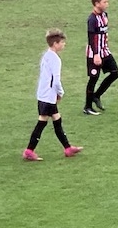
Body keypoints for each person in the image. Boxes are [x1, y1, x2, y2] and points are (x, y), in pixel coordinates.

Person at [23, 29, 82, 161]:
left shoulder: (45, 55)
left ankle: (67, 148)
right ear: (55, 43)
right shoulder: (55, 59)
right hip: (49, 96)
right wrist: (60, 93)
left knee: (56, 119)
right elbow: (55, 80)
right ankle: (29, 151)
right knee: (43, 122)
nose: (64, 44)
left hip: (42, 94)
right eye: (62, 42)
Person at [84, 0, 118, 115]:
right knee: (93, 79)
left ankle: (96, 95)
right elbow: (91, 38)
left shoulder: (105, 15)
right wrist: (96, 54)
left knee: (115, 73)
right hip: (95, 54)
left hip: (105, 51)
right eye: (104, 2)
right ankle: (87, 107)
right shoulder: (92, 19)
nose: (107, 4)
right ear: (97, 3)